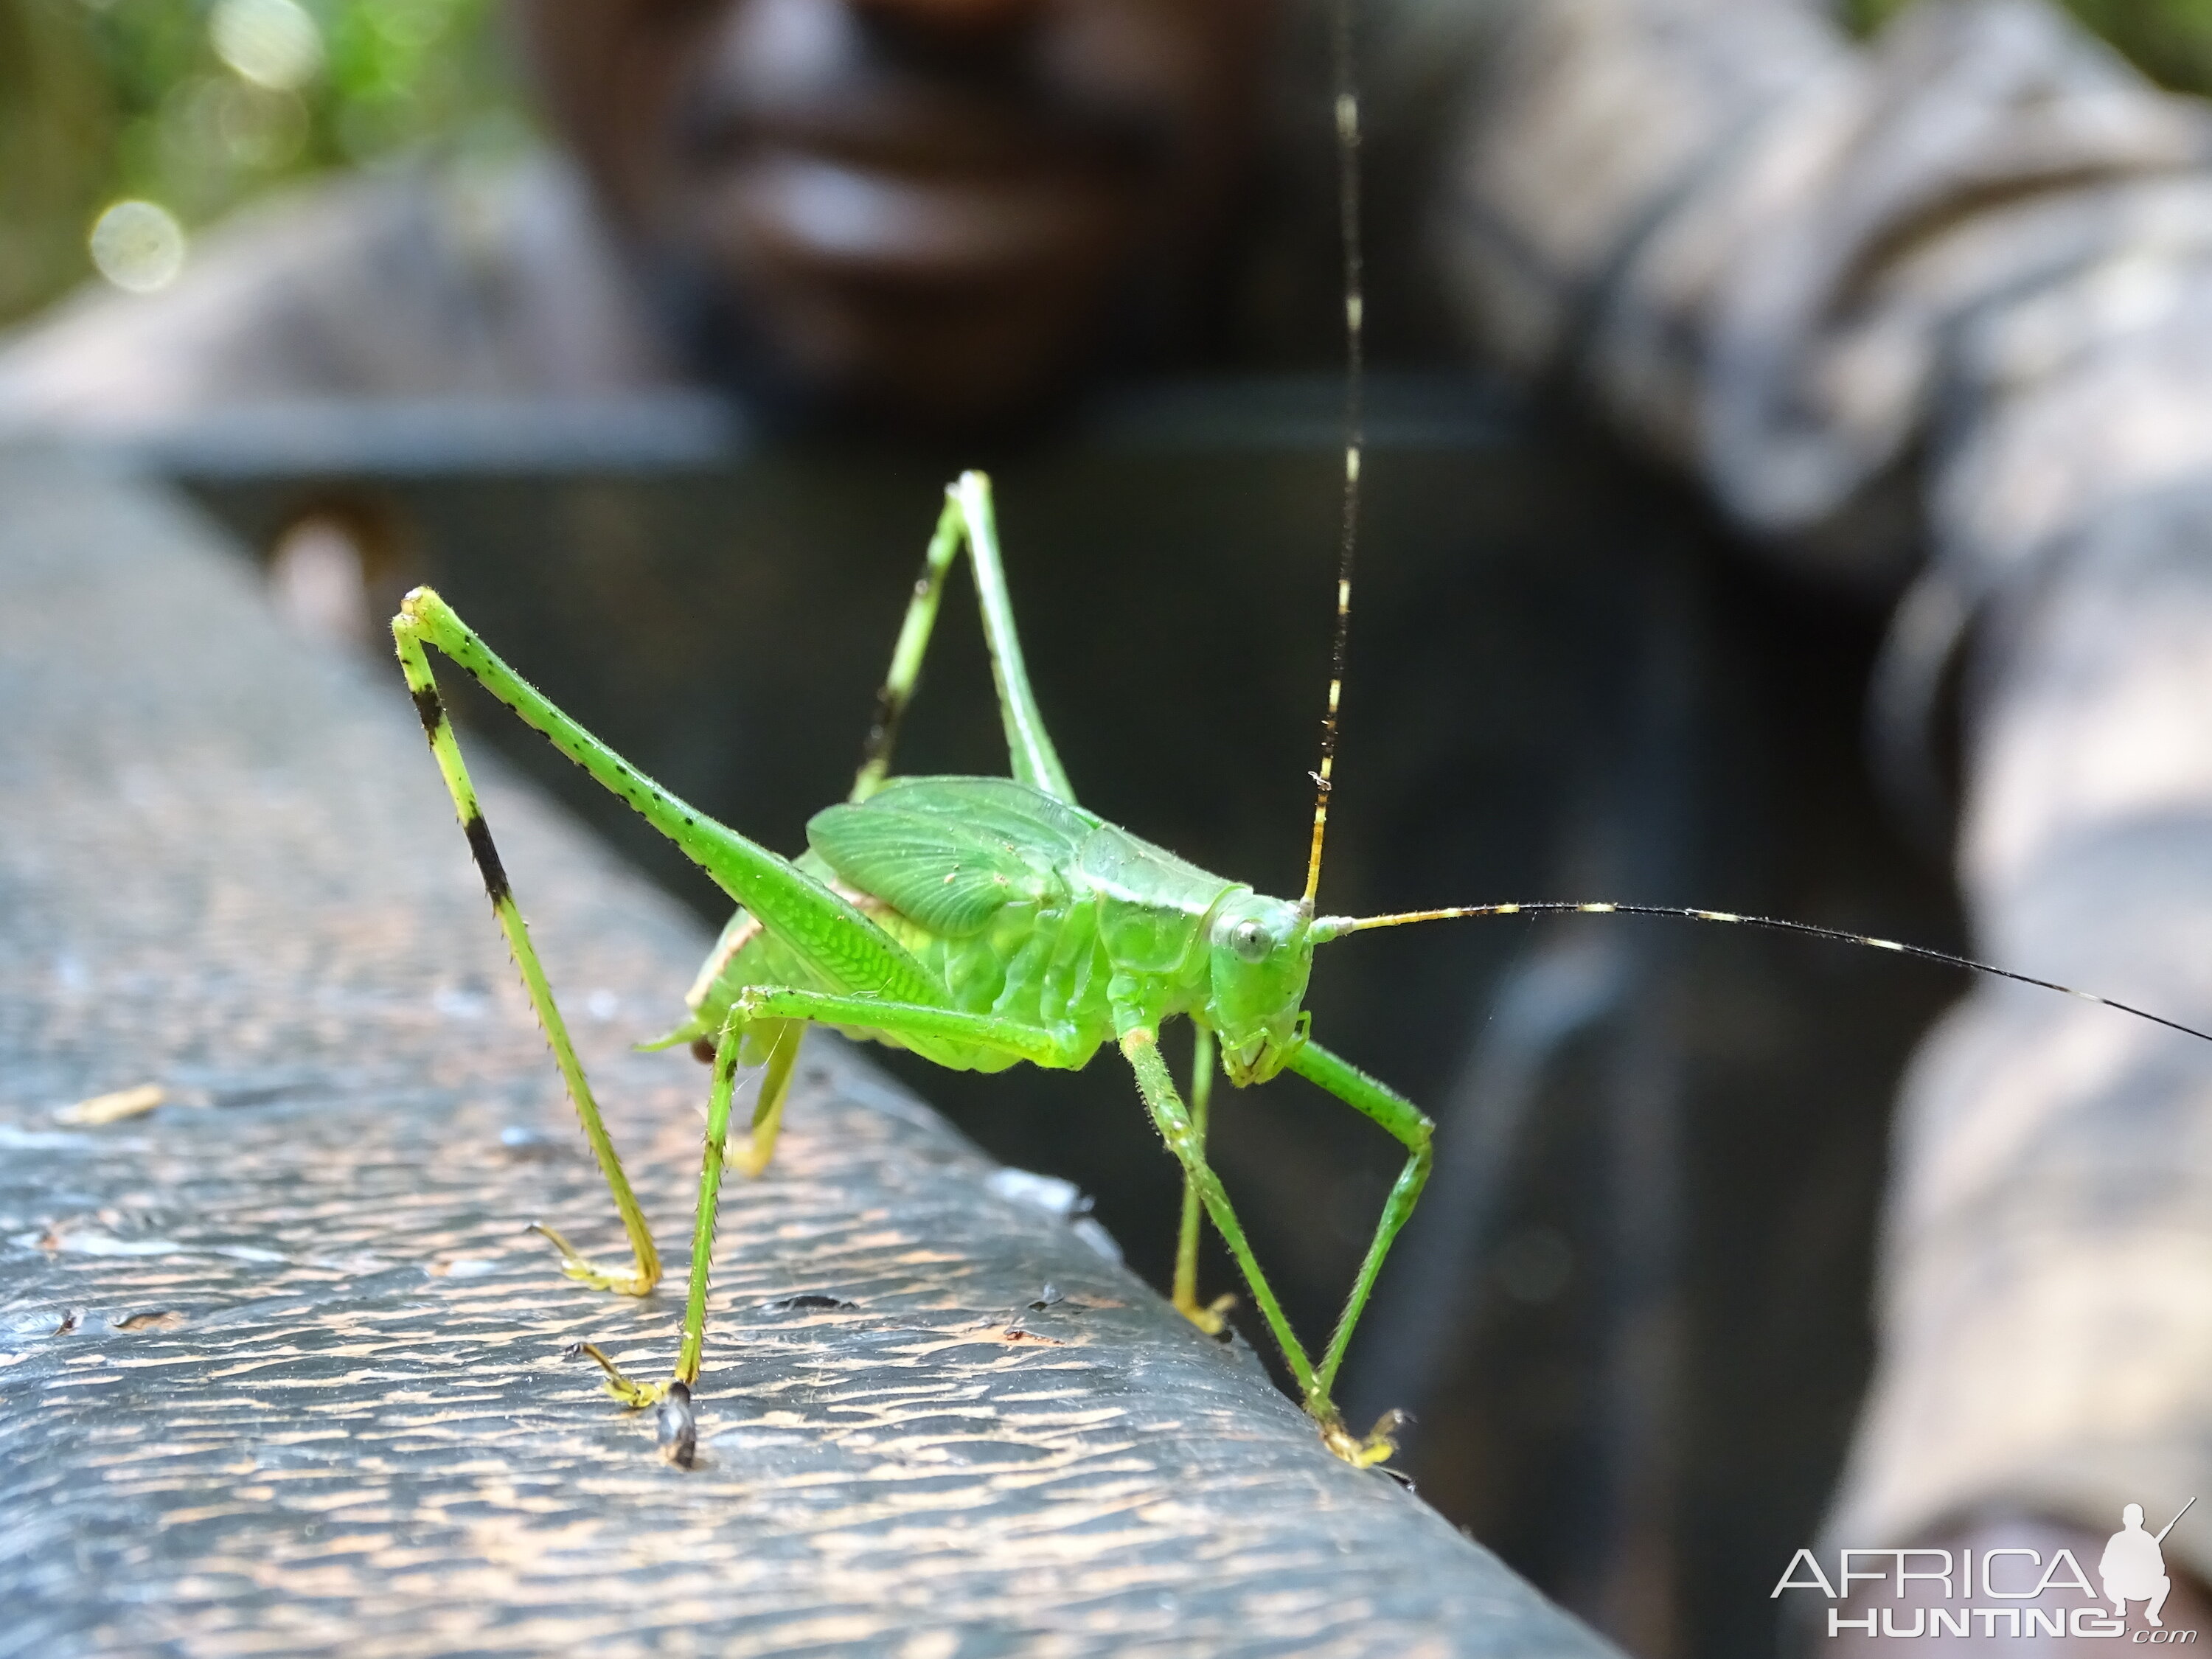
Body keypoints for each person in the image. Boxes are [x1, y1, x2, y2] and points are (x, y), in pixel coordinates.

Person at [8, 0, 2212, 1652]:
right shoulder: (226, 380)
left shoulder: (1519, 102)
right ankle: (669, 1294)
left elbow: (2146, 346)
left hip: (1035, 934)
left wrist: (2085, 1483)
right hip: (889, 931)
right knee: (464, 662)